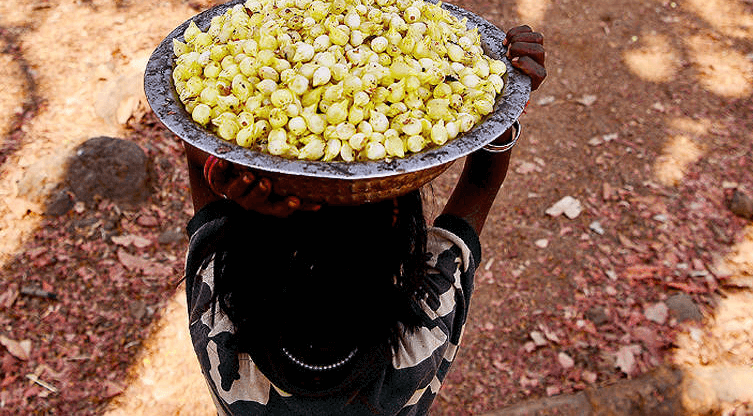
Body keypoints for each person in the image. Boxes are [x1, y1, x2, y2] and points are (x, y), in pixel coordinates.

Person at [181, 25, 547, 416]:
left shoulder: (220, 329)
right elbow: (481, 180)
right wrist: (503, 93)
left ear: (248, 237)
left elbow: (194, 140)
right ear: (397, 222)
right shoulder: (421, 338)